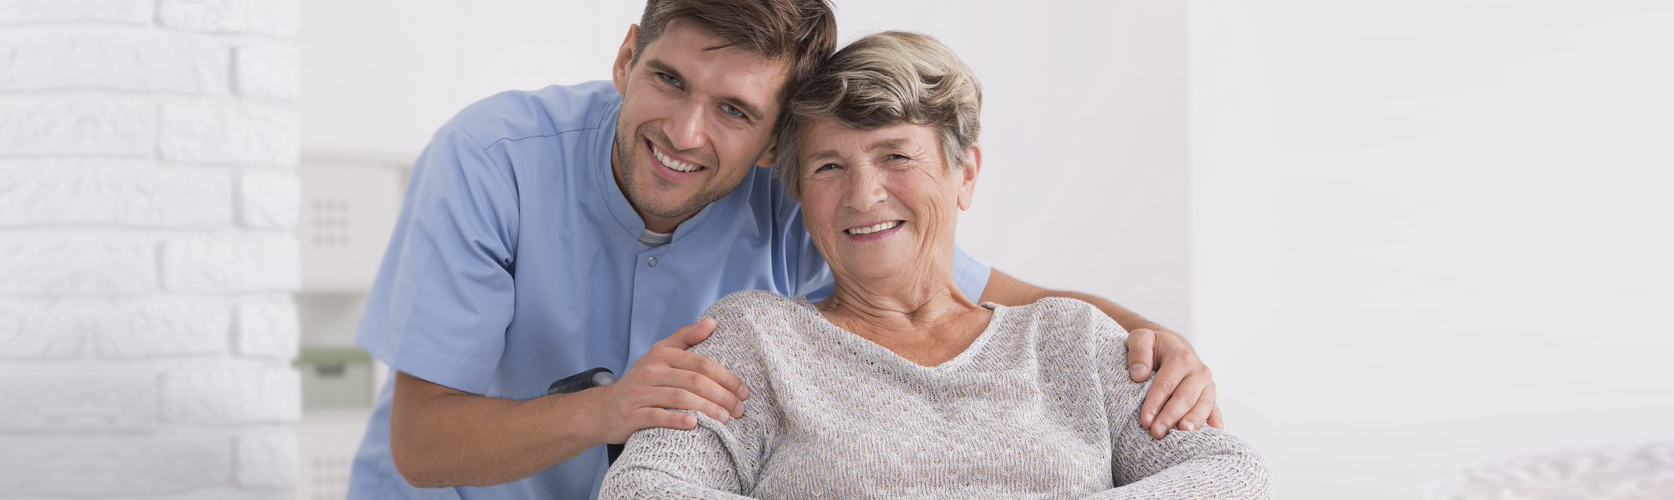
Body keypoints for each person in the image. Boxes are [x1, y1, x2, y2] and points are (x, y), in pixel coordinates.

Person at [349, 1, 1222, 499]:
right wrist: (610, 410)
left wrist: (1159, 343)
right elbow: (422, 446)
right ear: (626, 56)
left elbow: (974, 294)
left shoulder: (808, 194)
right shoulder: (490, 159)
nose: (685, 133)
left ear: (776, 138)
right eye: (668, 80)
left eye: (735, 110)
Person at [600, 30, 1268, 499]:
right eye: (830, 167)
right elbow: (645, 489)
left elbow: (1229, 474)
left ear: (964, 173)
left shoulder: (1071, 340)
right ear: (800, 194)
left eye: (896, 156)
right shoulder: (754, 340)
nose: (865, 195)